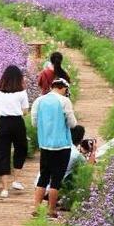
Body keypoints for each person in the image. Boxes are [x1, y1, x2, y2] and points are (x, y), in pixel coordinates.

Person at [31, 78, 77, 218]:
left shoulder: (39, 101)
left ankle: (37, 209)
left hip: (45, 145)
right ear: (64, 88)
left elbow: (34, 123)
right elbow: (72, 123)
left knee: (43, 176)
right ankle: (51, 210)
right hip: (62, 145)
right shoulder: (64, 101)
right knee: (56, 178)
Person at [0, 65, 29, 198]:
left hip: (3, 123)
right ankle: (16, 180)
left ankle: (4, 189)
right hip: (17, 122)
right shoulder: (22, 93)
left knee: (2, 153)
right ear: (19, 78)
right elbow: (25, 111)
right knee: (21, 149)